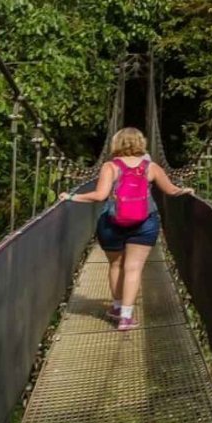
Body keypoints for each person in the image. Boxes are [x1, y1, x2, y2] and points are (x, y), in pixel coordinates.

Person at [60, 127, 192, 331]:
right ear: (141, 143)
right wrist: (186, 190)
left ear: (116, 144)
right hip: (145, 222)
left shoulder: (110, 167)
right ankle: (126, 318)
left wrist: (72, 197)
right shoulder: (151, 167)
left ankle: (116, 307)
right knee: (133, 268)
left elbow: (100, 195)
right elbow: (171, 190)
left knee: (115, 266)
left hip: (112, 222)